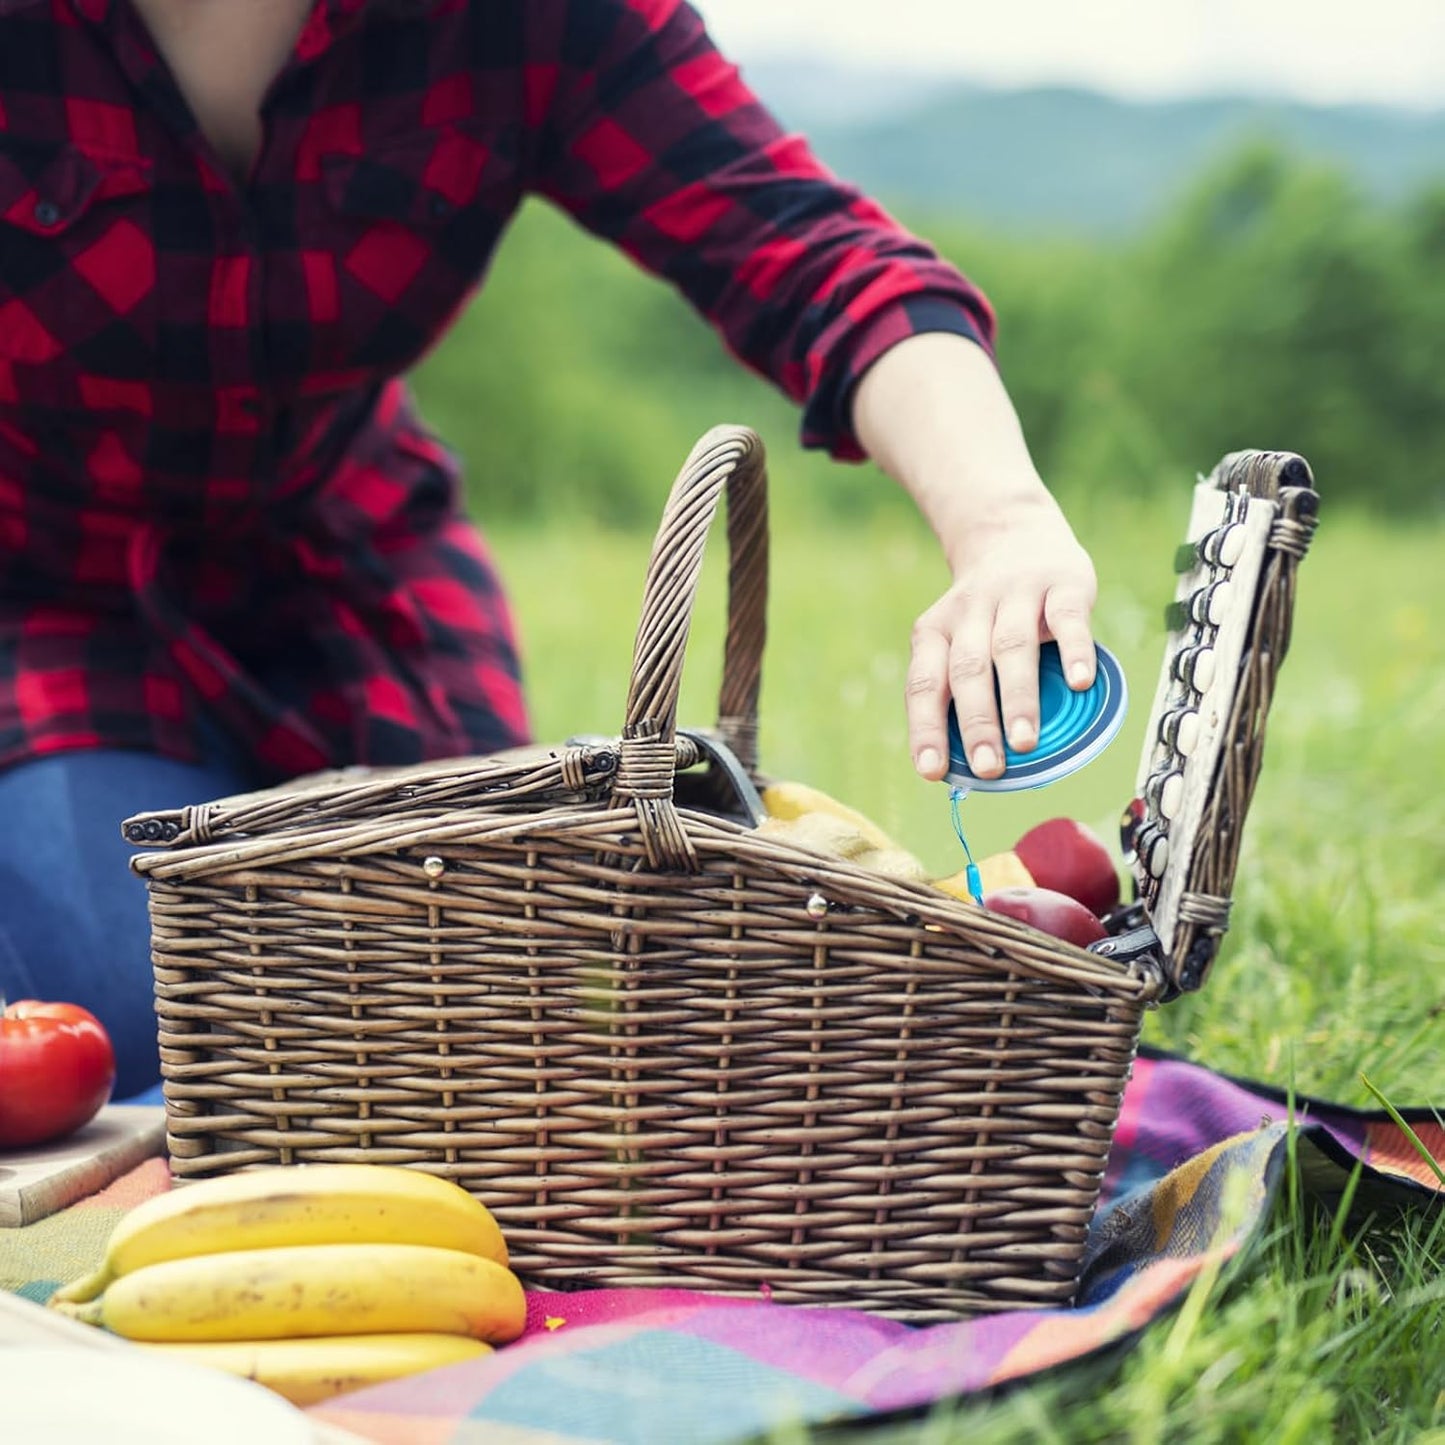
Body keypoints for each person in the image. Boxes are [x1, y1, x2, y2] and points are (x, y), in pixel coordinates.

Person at [0, 0, 1098, 1098]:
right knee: (163, 1045)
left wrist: (999, 523)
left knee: (483, 1012)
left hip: (342, 568)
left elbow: (812, 255)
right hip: (36, 591)